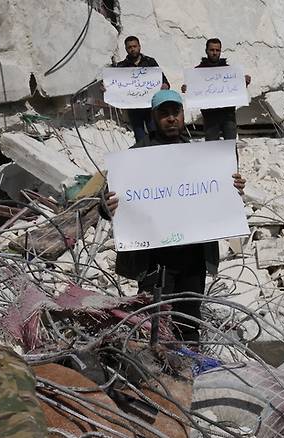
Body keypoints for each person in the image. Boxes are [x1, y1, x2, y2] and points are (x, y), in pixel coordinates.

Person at [101, 89, 246, 344]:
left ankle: (190, 368)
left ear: (182, 114)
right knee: (154, 320)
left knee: (189, 319)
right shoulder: (133, 158)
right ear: (154, 117)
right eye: (164, 113)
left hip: (193, 255)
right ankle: (156, 371)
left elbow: (216, 195)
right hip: (155, 258)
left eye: (175, 112)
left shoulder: (203, 159)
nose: (171, 119)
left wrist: (232, 188)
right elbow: (107, 200)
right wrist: (106, 205)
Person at [181, 38, 251, 140]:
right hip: (210, 117)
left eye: (217, 50)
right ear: (206, 51)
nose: (214, 53)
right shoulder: (198, 72)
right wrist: (188, 89)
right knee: (212, 146)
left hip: (228, 115)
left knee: (230, 145)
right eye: (212, 50)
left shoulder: (229, 70)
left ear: (220, 51)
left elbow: (235, 88)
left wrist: (243, 82)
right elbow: (194, 91)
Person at [116, 35, 171, 142]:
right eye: (129, 47)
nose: (132, 49)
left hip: (151, 106)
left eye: (134, 46)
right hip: (133, 108)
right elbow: (115, 85)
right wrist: (107, 88)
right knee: (140, 137)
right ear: (126, 49)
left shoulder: (150, 62)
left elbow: (163, 80)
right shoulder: (121, 66)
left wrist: (165, 85)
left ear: (139, 46)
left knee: (155, 133)